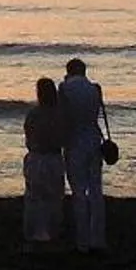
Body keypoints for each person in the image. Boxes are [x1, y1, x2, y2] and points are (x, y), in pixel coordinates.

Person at [57, 56, 110, 256]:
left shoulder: (64, 88)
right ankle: (98, 239)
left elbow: (63, 116)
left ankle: (82, 242)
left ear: (69, 71)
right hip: (93, 139)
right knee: (96, 189)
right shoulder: (95, 89)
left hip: (74, 141)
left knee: (78, 191)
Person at [21, 75, 68, 248]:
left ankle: (35, 233)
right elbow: (64, 138)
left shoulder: (33, 114)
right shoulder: (60, 114)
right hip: (53, 157)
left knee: (34, 197)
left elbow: (28, 136)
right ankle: (51, 231)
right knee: (54, 197)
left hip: (36, 157)